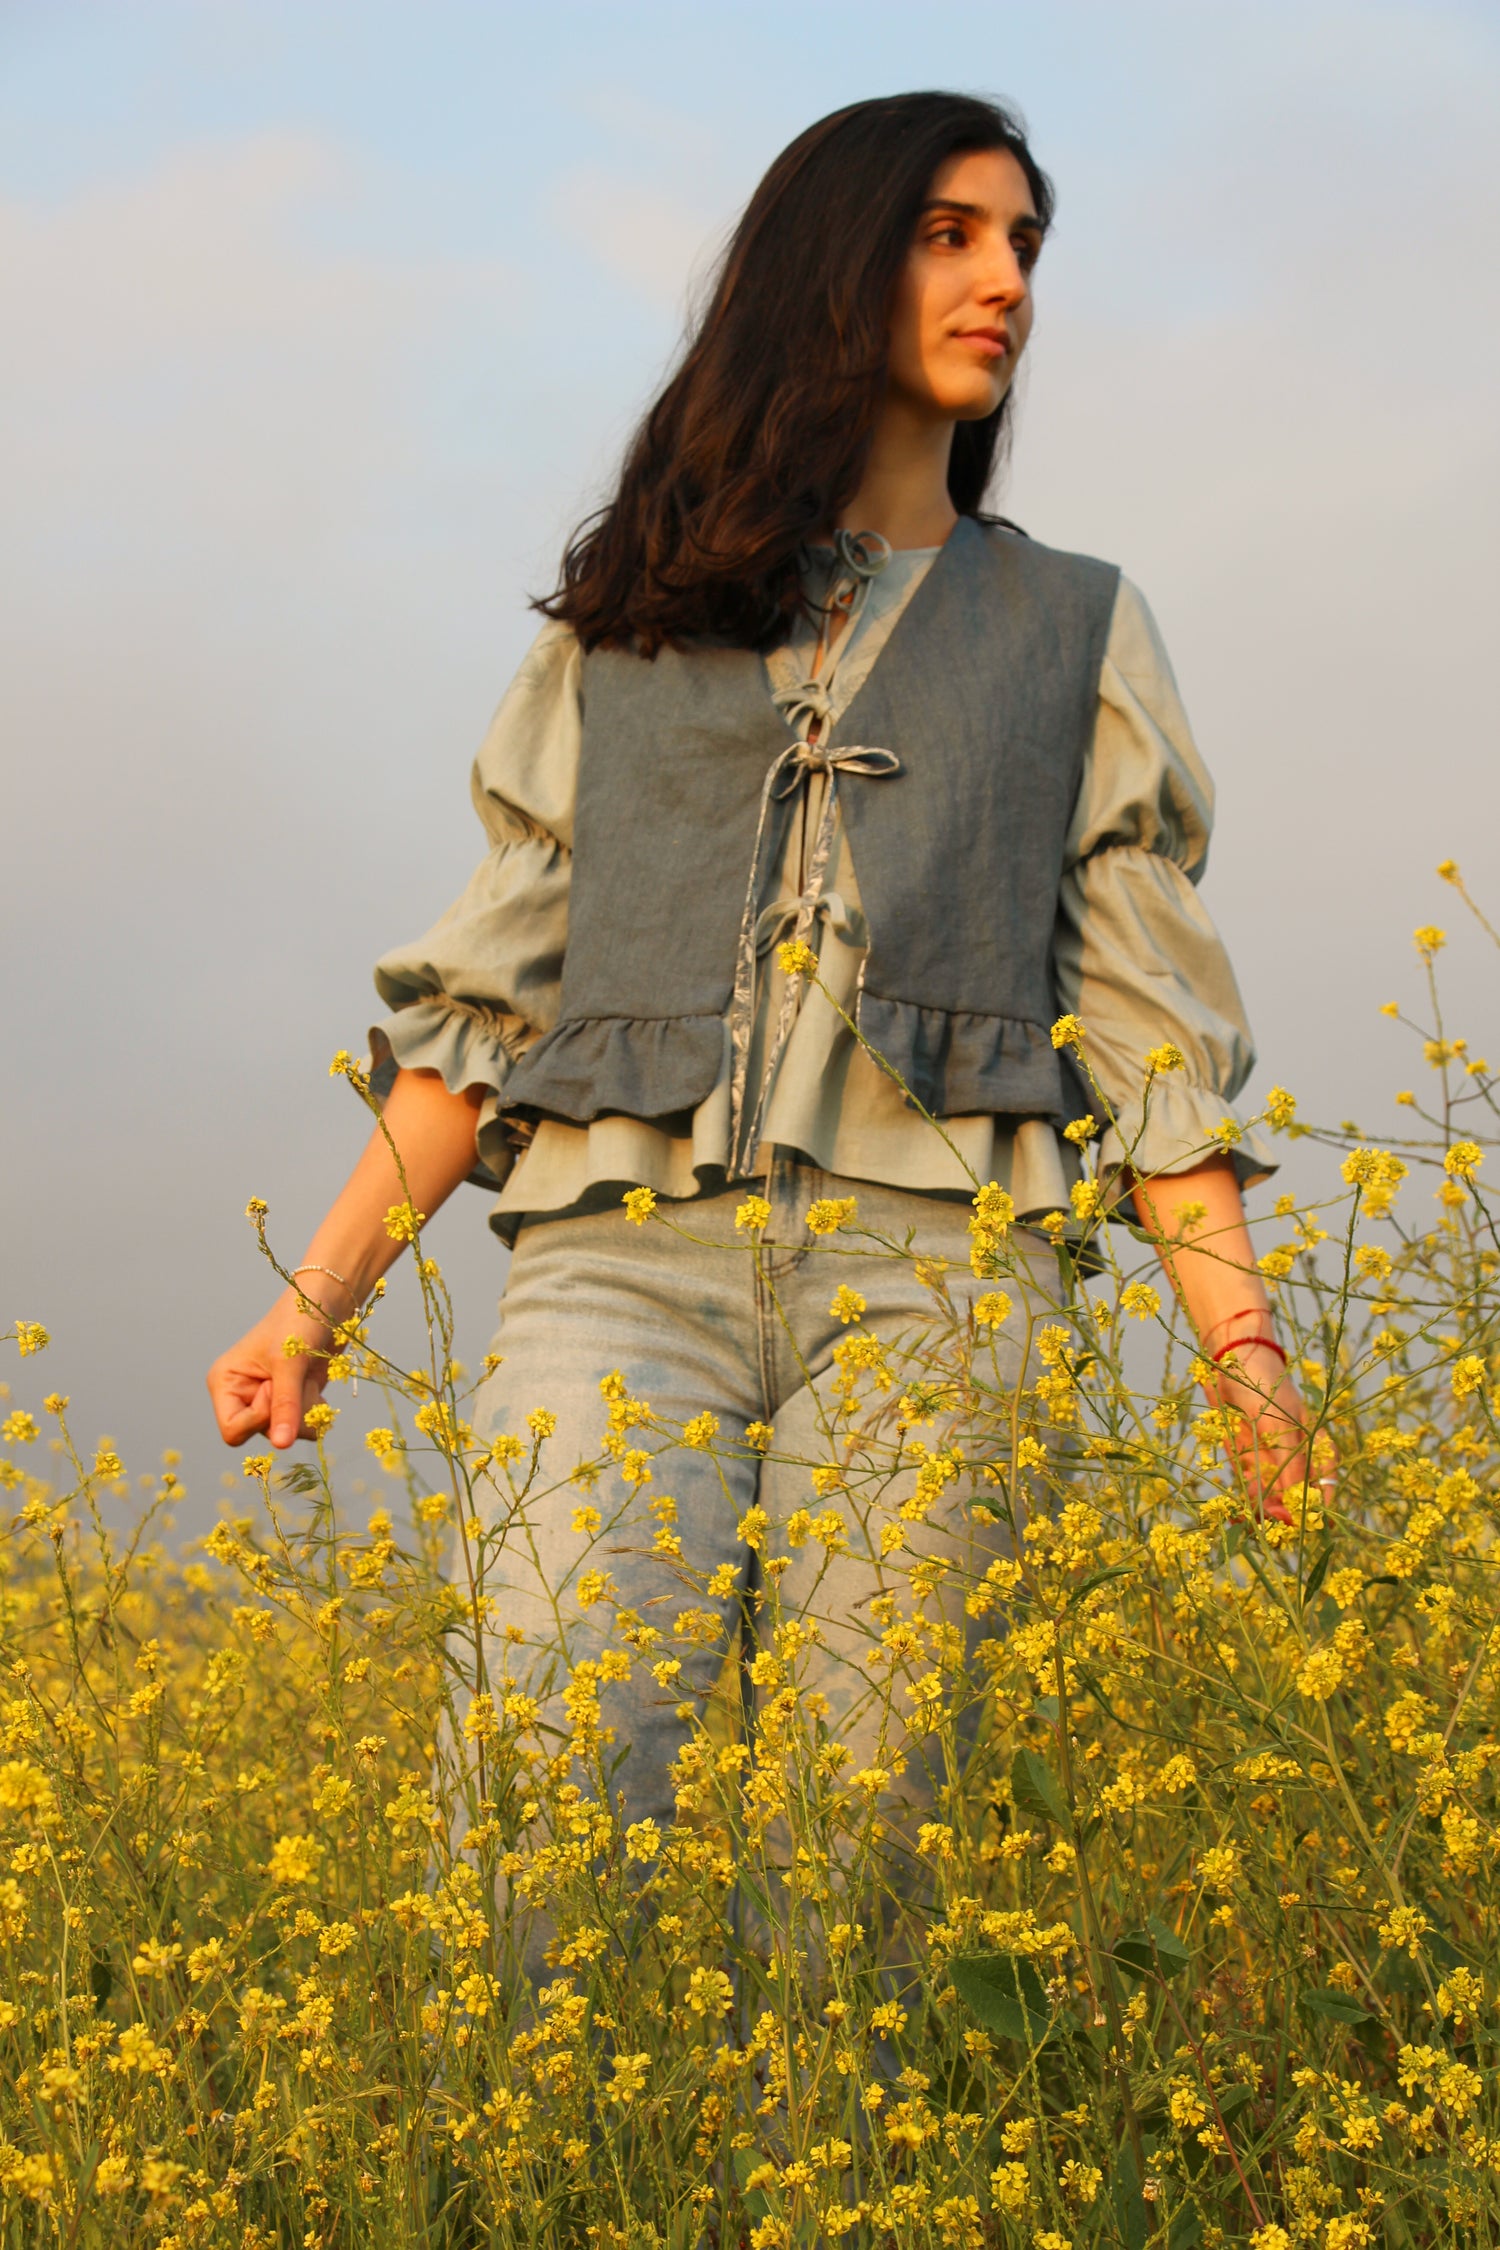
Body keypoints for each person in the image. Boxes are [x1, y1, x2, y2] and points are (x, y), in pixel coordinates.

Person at [208, 90, 1308, 1978]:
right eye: (953, 233)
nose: (1005, 282)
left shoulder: (1078, 628)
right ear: (835, 261)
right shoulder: (626, 626)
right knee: (547, 1787)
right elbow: (489, 1006)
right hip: (618, 1279)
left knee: (870, 1860)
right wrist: (313, 1300)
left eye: (1026, 243)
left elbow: (1142, 1020)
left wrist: (1247, 1348)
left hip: (942, 1287)